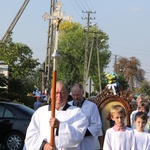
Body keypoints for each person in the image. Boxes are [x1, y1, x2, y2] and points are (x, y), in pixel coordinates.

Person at [23, 81, 89, 150]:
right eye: (56, 93)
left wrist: (60, 126)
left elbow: (78, 136)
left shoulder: (77, 113)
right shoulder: (40, 112)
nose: (59, 96)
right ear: (51, 95)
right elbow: (31, 136)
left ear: (67, 95)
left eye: (62, 93)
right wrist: (44, 145)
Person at [68, 83, 103, 150]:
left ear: (83, 93)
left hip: (86, 144)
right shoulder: (68, 106)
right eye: (73, 95)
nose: (75, 97)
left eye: (78, 95)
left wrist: (80, 133)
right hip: (72, 145)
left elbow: (96, 126)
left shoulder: (92, 106)